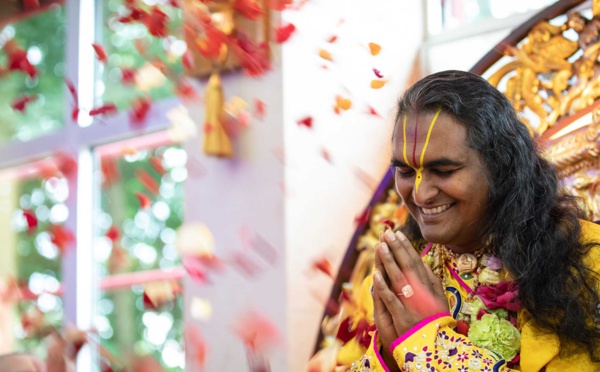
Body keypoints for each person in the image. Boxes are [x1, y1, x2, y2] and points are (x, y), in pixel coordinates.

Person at [343, 70, 600, 371]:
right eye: (406, 172)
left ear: (501, 165)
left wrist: (429, 345)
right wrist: (388, 357)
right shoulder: (397, 276)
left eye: (444, 171)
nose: (421, 194)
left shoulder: (582, 262)